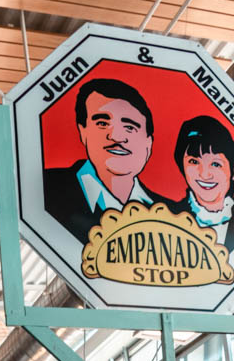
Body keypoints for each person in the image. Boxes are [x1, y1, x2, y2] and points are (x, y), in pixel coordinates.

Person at [43, 78, 169, 245]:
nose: (116, 136)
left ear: (148, 144)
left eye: (130, 127)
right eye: (102, 123)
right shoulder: (45, 189)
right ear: (83, 132)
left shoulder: (172, 212)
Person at [168, 115, 234, 252]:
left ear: (233, 171)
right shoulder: (167, 218)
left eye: (215, 164)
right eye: (194, 162)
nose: (204, 174)